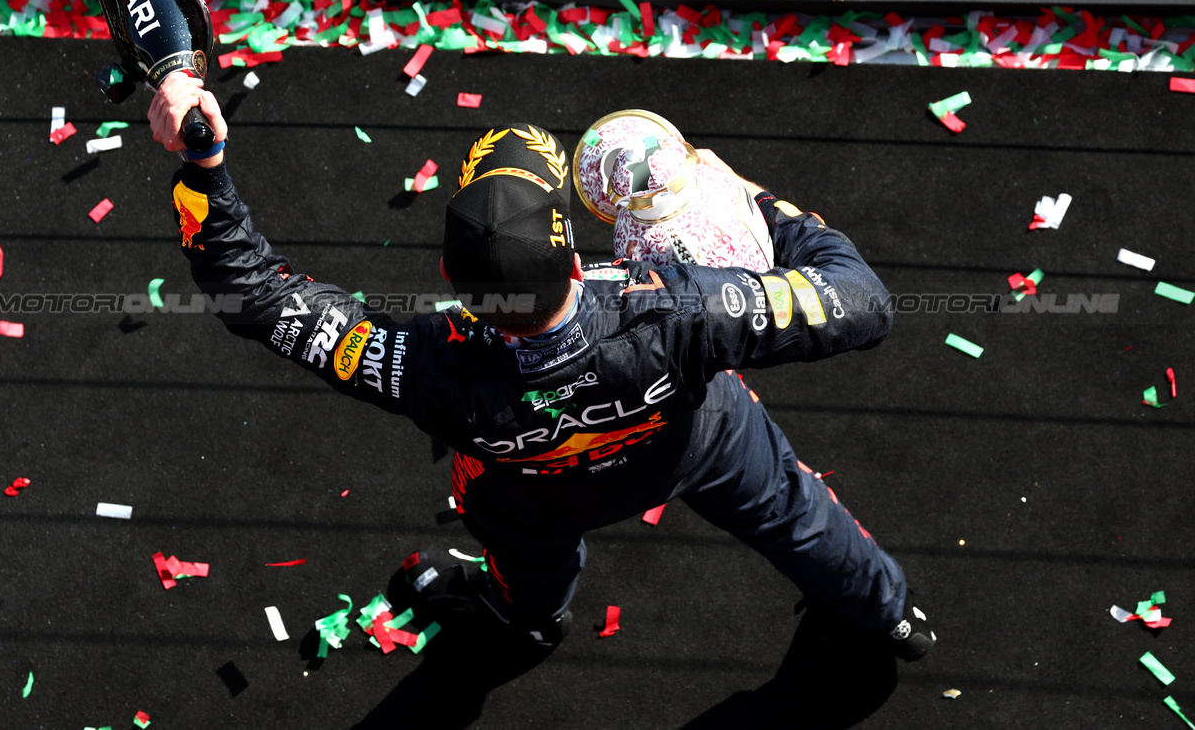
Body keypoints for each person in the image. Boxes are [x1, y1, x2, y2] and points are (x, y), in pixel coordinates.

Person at [148, 73, 935, 664]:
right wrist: (754, 205)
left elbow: (255, 296)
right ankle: (888, 614)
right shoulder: (684, 308)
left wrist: (206, 162)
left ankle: (533, 620)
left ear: (455, 283)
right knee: (796, 515)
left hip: (534, 497)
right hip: (699, 441)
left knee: (527, 564)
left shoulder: (419, 363)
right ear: (571, 254)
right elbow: (864, 302)